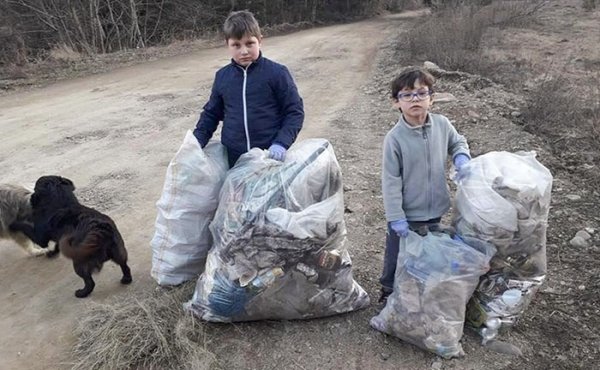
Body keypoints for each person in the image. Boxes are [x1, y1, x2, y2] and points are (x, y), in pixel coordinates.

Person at [378, 67, 471, 303]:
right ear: (396, 103)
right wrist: (395, 216)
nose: (415, 99)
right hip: (406, 214)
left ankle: (418, 289)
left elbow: (458, 142)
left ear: (432, 98)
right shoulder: (395, 138)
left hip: (435, 209)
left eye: (421, 93)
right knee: (397, 254)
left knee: (427, 253)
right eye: (407, 95)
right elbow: (390, 180)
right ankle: (388, 290)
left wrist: (461, 156)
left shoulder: (442, 125)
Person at [193, 10, 304, 168]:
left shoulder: (277, 73)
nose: (244, 51)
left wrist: (281, 143)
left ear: (260, 41)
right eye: (236, 45)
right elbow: (211, 114)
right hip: (234, 159)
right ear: (228, 45)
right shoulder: (223, 77)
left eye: (249, 43)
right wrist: (196, 142)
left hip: (269, 158)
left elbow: (294, 111)